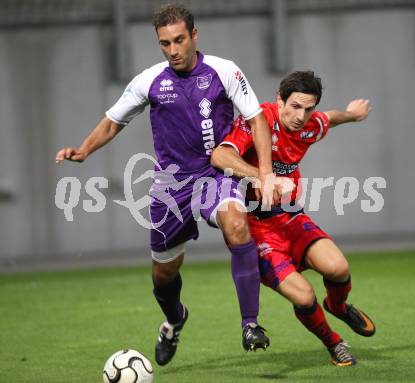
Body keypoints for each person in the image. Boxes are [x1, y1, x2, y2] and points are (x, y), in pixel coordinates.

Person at [55, 4, 275, 366]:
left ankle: (250, 323)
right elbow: (113, 121)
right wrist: (84, 150)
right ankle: (174, 321)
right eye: (164, 43)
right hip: (171, 186)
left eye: (179, 40)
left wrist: (264, 172)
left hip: (216, 175)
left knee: (237, 223)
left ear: (194, 35)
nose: (172, 50)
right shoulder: (150, 80)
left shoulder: (224, 71)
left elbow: (256, 118)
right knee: (163, 274)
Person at [211, 70, 375, 366]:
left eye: (308, 108)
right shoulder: (259, 119)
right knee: (304, 297)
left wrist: (352, 114)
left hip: (288, 218)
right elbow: (220, 157)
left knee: (338, 268)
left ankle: (338, 306)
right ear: (280, 100)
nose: (301, 115)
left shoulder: (310, 125)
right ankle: (333, 342)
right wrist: (264, 176)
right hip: (255, 229)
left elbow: (330, 118)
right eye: (295, 106)